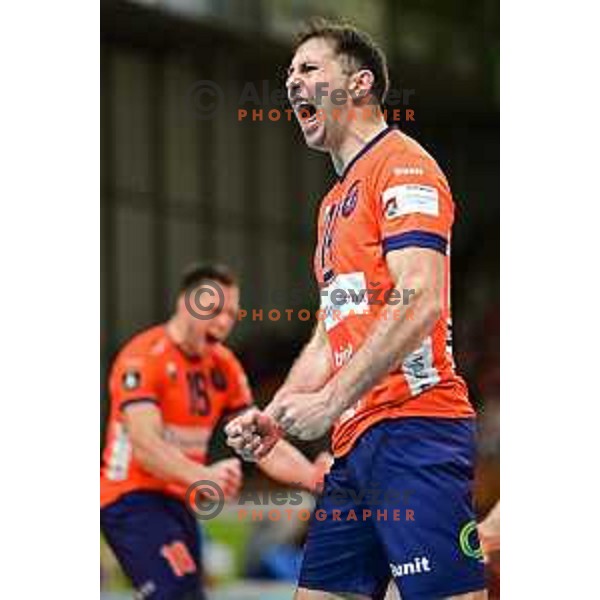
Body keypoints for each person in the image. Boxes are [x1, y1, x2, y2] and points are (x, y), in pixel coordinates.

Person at [226, 20, 487, 600]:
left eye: (309, 69)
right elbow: (328, 334)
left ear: (360, 83)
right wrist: (277, 415)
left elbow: (420, 295)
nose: (292, 83)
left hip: (416, 429)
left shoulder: (404, 165)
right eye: (288, 74)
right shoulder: (332, 205)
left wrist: (329, 401)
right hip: (354, 444)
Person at [101, 263, 330, 600]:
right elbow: (145, 445)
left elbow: (261, 440)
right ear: (185, 303)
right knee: (175, 592)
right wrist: (202, 475)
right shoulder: (142, 357)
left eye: (231, 314)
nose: (224, 322)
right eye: (214, 310)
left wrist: (312, 476)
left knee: (189, 593)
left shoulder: (223, 365)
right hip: (131, 498)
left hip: (179, 501)